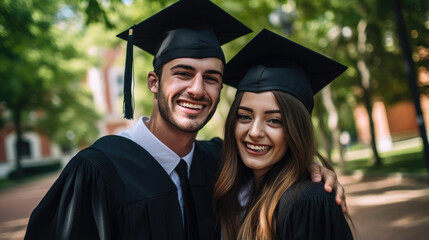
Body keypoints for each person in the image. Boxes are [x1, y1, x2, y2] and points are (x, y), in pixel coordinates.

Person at [25, 1, 346, 239]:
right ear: (153, 82)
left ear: (221, 87)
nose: (196, 89)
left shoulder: (219, 162)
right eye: (183, 73)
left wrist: (311, 169)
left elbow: (282, 170)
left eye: (211, 78)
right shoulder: (97, 171)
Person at [214, 29, 354, 240]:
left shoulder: (308, 202)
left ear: (296, 130)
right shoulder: (232, 190)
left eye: (274, 120)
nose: (254, 132)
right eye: (244, 116)